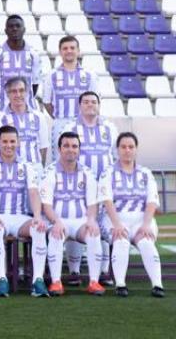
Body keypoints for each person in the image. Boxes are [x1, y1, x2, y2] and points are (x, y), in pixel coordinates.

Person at [37, 132, 105, 296]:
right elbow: (46, 205)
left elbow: (92, 203)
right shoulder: (49, 172)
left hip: (80, 221)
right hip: (58, 220)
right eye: (66, 146)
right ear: (59, 149)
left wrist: (90, 220)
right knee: (55, 234)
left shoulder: (87, 173)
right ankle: (56, 282)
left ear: (79, 150)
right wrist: (57, 221)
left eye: (74, 146)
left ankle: (94, 282)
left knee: (93, 233)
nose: (70, 149)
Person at [0, 126, 43, 297]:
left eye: (12, 141)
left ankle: (38, 281)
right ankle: (2, 280)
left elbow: (34, 193)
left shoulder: (27, 166)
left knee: (38, 228)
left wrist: (37, 216)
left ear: (18, 142)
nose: (9, 145)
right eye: (5, 141)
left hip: (20, 217)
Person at [99, 132, 165, 297]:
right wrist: (117, 224)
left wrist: (146, 224)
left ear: (136, 150)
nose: (127, 150)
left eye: (131, 147)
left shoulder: (145, 173)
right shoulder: (108, 173)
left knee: (147, 242)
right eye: (123, 147)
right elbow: (107, 201)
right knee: (120, 241)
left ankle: (157, 284)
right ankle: (120, 284)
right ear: (117, 150)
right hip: (114, 218)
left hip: (141, 219)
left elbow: (152, 201)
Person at [64, 91, 118, 283]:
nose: (90, 105)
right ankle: (74, 271)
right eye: (86, 102)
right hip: (78, 186)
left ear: (99, 104)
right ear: (80, 105)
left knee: (101, 226)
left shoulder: (110, 127)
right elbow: (64, 155)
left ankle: (103, 271)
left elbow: (114, 156)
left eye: (93, 101)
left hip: (103, 187)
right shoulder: (71, 126)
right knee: (76, 223)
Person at [41, 36, 99, 145]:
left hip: (84, 124)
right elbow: (46, 102)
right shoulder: (51, 75)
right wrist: (59, 117)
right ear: (60, 52)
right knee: (61, 159)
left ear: (78, 51)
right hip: (60, 124)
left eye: (72, 48)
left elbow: (95, 101)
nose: (69, 51)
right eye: (65, 48)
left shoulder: (89, 75)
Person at [0, 15, 44, 114]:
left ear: (24, 29)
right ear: (6, 30)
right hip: (3, 111)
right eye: (11, 26)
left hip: (28, 111)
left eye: (18, 26)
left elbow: (34, 85)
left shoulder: (33, 54)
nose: (14, 29)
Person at [0, 77, 51, 165]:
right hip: (10, 170)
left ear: (26, 92)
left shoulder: (39, 117)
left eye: (21, 90)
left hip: (34, 170)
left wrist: (39, 168)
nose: (18, 95)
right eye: (14, 91)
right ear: (7, 94)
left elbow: (43, 148)